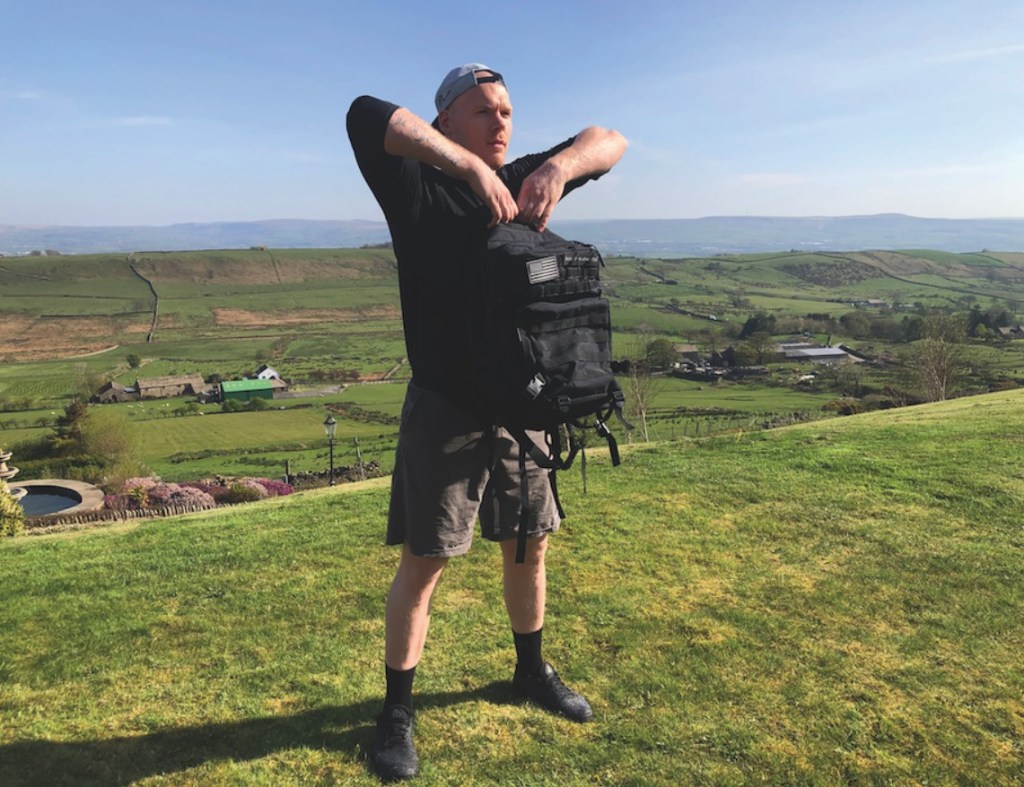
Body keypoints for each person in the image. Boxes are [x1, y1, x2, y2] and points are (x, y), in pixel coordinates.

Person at [347, 63, 627, 782]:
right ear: (445, 123)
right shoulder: (413, 184)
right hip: (444, 404)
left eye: (506, 110)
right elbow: (364, 112)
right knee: (426, 562)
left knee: (531, 545)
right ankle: (396, 711)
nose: (501, 122)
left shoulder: (528, 175)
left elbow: (612, 139)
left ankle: (530, 670)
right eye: (482, 111)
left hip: (524, 404)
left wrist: (559, 169)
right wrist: (467, 166)